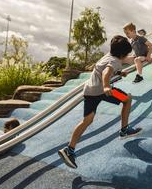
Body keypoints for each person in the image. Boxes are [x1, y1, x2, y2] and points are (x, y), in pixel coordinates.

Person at [58, 36, 142, 169]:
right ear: (122, 54)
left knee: (87, 120)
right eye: (126, 55)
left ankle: (69, 150)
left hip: (90, 91)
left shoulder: (108, 56)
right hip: (103, 90)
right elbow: (106, 73)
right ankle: (124, 130)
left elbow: (104, 68)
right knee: (127, 99)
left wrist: (119, 72)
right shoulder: (115, 61)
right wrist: (107, 86)